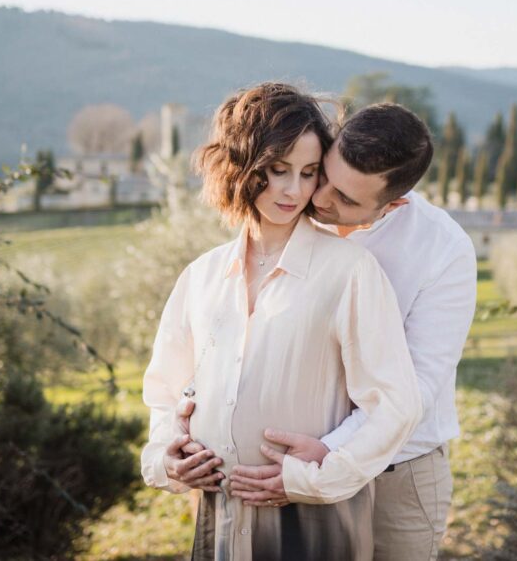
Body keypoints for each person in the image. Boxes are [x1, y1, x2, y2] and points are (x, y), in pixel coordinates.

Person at [140, 83, 422, 560]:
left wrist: (314, 478)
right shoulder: (201, 276)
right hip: (221, 515)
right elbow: (165, 393)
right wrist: (166, 457)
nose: (293, 190)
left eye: (309, 173)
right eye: (277, 170)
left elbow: (395, 405)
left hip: (315, 519)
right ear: (240, 166)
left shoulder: (350, 272)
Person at [188, 102, 477, 560]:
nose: (320, 201)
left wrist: (327, 453)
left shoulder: (444, 251)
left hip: (398, 475)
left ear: (392, 203)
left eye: (347, 200)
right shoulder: (291, 207)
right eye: (324, 176)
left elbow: (417, 387)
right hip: (286, 472)